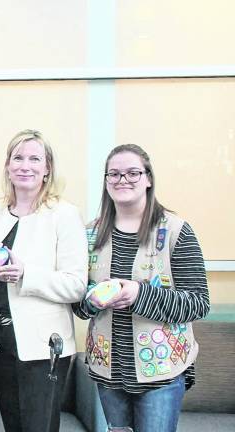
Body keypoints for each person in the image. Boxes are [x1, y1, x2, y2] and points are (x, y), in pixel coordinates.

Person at [73, 144, 209, 432]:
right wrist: (92, 301)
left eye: (133, 173)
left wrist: (139, 293)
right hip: (109, 371)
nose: (123, 180)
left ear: (148, 178)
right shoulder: (88, 233)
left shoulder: (176, 231)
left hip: (161, 373)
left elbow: (198, 302)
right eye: (115, 174)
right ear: (106, 181)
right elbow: (77, 303)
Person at [0, 129, 87, 432]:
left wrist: (26, 275)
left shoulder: (64, 214)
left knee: (38, 427)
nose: (25, 165)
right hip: (0, 340)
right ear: (7, 166)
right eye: (18, 158)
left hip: (43, 344)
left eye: (35, 159)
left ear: (47, 168)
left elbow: (76, 284)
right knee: (13, 425)